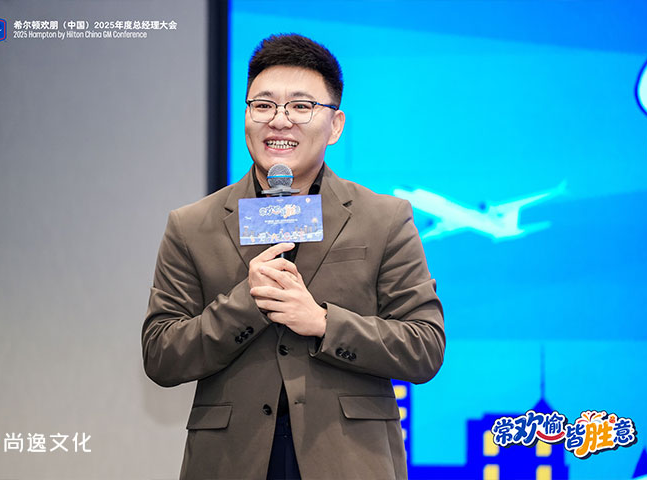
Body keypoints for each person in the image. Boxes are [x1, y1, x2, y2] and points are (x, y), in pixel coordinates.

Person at [142, 33, 445, 480]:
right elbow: (161, 355)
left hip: (348, 460)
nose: (279, 121)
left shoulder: (384, 218)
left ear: (335, 125)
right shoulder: (192, 225)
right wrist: (246, 303)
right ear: (246, 116)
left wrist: (323, 322)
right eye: (263, 105)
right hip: (230, 461)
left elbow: (424, 346)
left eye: (301, 106)